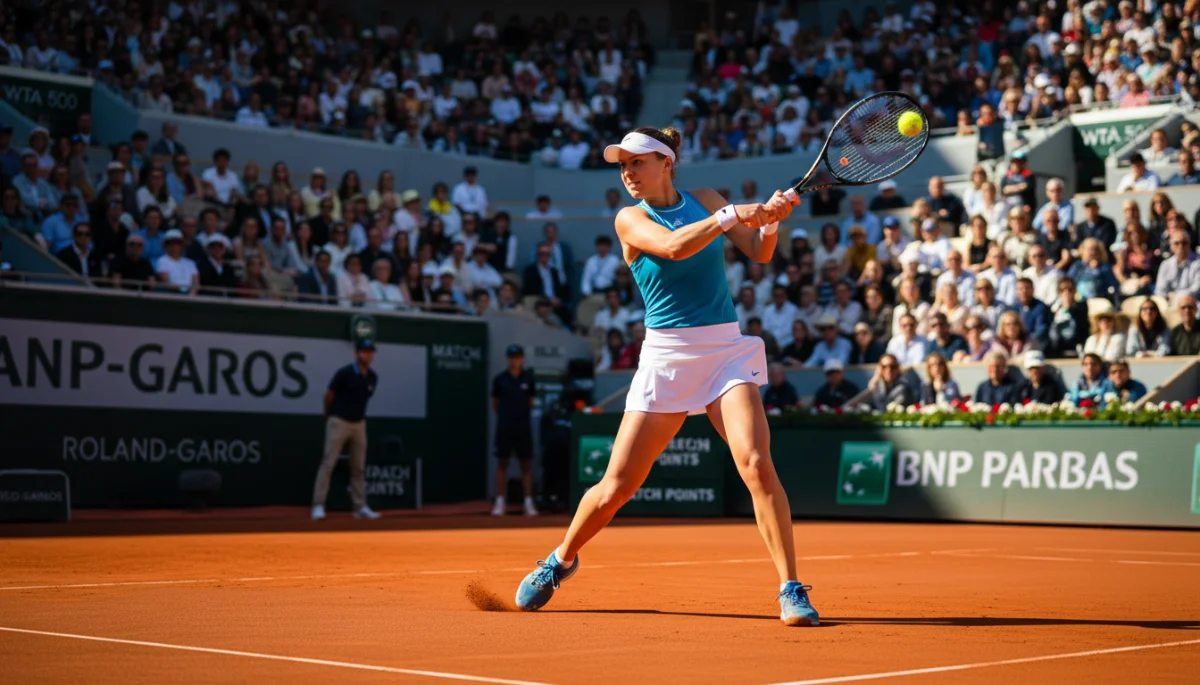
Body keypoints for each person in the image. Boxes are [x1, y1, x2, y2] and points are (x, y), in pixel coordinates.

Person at [512, 127, 819, 626]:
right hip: (667, 357)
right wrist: (730, 216)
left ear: (666, 162)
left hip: (725, 351)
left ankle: (790, 587)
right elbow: (675, 247)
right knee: (616, 487)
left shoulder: (706, 198)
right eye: (623, 166)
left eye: (637, 162)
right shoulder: (629, 218)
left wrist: (771, 222)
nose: (628, 173)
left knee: (756, 464)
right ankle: (560, 559)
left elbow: (760, 253)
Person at [311, 339, 382, 521]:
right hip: (339, 422)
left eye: (370, 352)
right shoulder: (344, 373)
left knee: (358, 468)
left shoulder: (373, 377)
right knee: (328, 464)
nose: (368, 355)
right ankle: (318, 505)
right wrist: (330, 416)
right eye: (364, 352)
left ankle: (360, 507)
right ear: (357, 354)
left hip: (359, 425)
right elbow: (329, 396)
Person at [491, 344, 539, 517]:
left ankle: (528, 502)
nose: (515, 360)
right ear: (508, 359)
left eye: (517, 356)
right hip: (504, 427)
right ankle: (500, 502)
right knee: (502, 463)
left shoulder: (528, 379)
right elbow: (495, 404)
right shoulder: (499, 380)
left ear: (522, 359)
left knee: (526, 464)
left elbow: (530, 402)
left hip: (523, 428)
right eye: (512, 357)